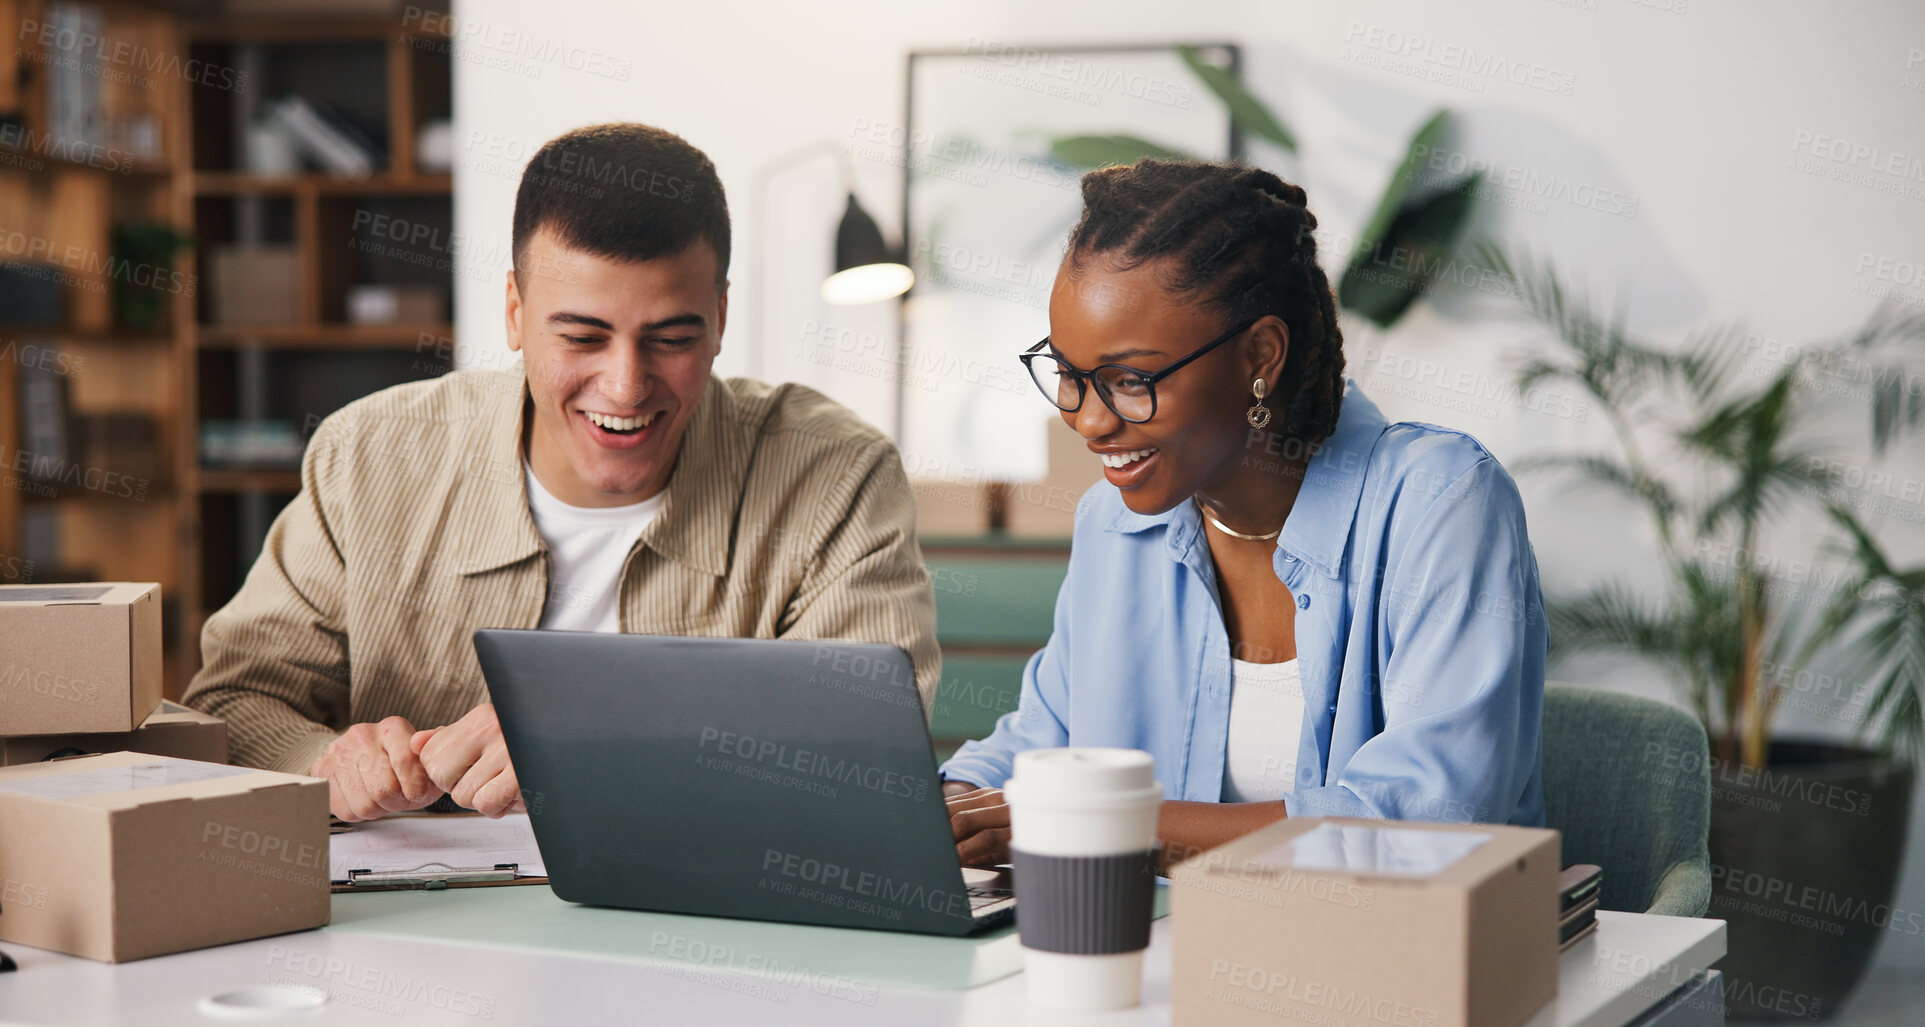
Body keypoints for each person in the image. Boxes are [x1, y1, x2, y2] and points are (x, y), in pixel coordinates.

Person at [184, 123, 941, 822]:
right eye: (582, 336)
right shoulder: (369, 458)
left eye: (672, 337)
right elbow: (236, 700)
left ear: (720, 316)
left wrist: (597, 738)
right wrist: (321, 760)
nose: (624, 384)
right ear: (514, 311)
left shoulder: (837, 473)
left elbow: (867, 745)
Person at [938, 160, 1546, 868]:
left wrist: (1099, 822)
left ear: (1259, 354)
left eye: (1129, 381)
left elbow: (1425, 825)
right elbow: (1042, 742)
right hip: (1164, 955)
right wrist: (951, 800)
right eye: (1069, 377)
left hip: (1404, 963)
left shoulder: (1441, 504)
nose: (1089, 422)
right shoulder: (1113, 523)